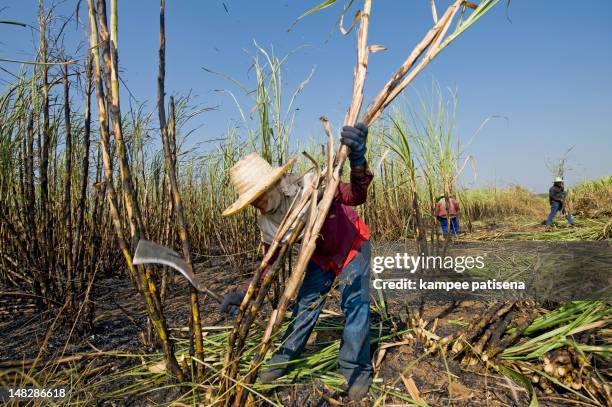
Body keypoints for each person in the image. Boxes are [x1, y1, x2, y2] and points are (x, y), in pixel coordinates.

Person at [220, 124, 373, 401]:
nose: (258, 204)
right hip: (320, 255)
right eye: (252, 201)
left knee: (356, 305)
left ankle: (356, 369)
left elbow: (355, 196)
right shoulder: (268, 222)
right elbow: (269, 262)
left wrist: (358, 160)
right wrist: (247, 293)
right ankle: (284, 358)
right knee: (306, 304)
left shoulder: (309, 184)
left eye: (260, 195)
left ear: (275, 184)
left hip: (351, 244)